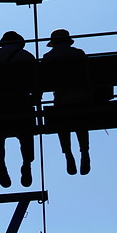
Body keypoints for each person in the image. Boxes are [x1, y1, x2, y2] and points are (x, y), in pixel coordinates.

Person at [0, 31, 36, 188]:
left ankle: (0, 164)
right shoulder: (27, 56)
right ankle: (27, 163)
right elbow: (36, 82)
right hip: (21, 105)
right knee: (26, 133)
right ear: (20, 43)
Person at [43, 28, 91, 175]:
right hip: (81, 98)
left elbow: (43, 82)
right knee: (80, 120)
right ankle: (84, 151)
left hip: (61, 100)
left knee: (61, 121)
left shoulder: (48, 57)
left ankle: (68, 154)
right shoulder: (78, 53)